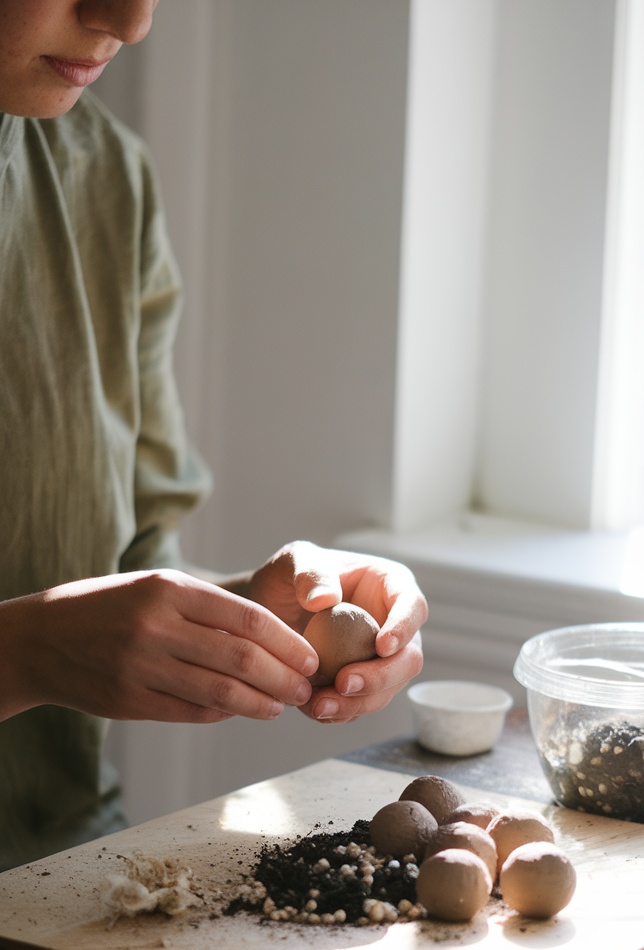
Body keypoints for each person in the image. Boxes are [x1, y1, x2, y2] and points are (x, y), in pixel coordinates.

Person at [0, 0, 427, 870]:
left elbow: (114, 579)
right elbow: (53, 639)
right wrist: (25, 654)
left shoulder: (104, 180)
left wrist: (253, 615)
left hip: (50, 882)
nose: (131, 18)